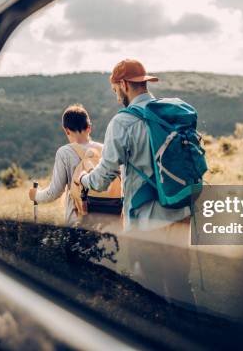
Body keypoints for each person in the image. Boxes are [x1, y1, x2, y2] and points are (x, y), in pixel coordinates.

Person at [74, 58, 195, 307]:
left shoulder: (122, 122)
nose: (116, 95)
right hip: (181, 212)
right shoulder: (171, 114)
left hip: (146, 222)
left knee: (149, 292)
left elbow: (103, 177)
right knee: (181, 286)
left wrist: (84, 179)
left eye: (115, 89)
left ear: (123, 84)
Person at [29, 104, 102, 225]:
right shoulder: (103, 150)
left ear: (66, 130)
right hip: (110, 221)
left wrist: (36, 196)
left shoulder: (65, 152)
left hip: (79, 222)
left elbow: (55, 192)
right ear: (89, 127)